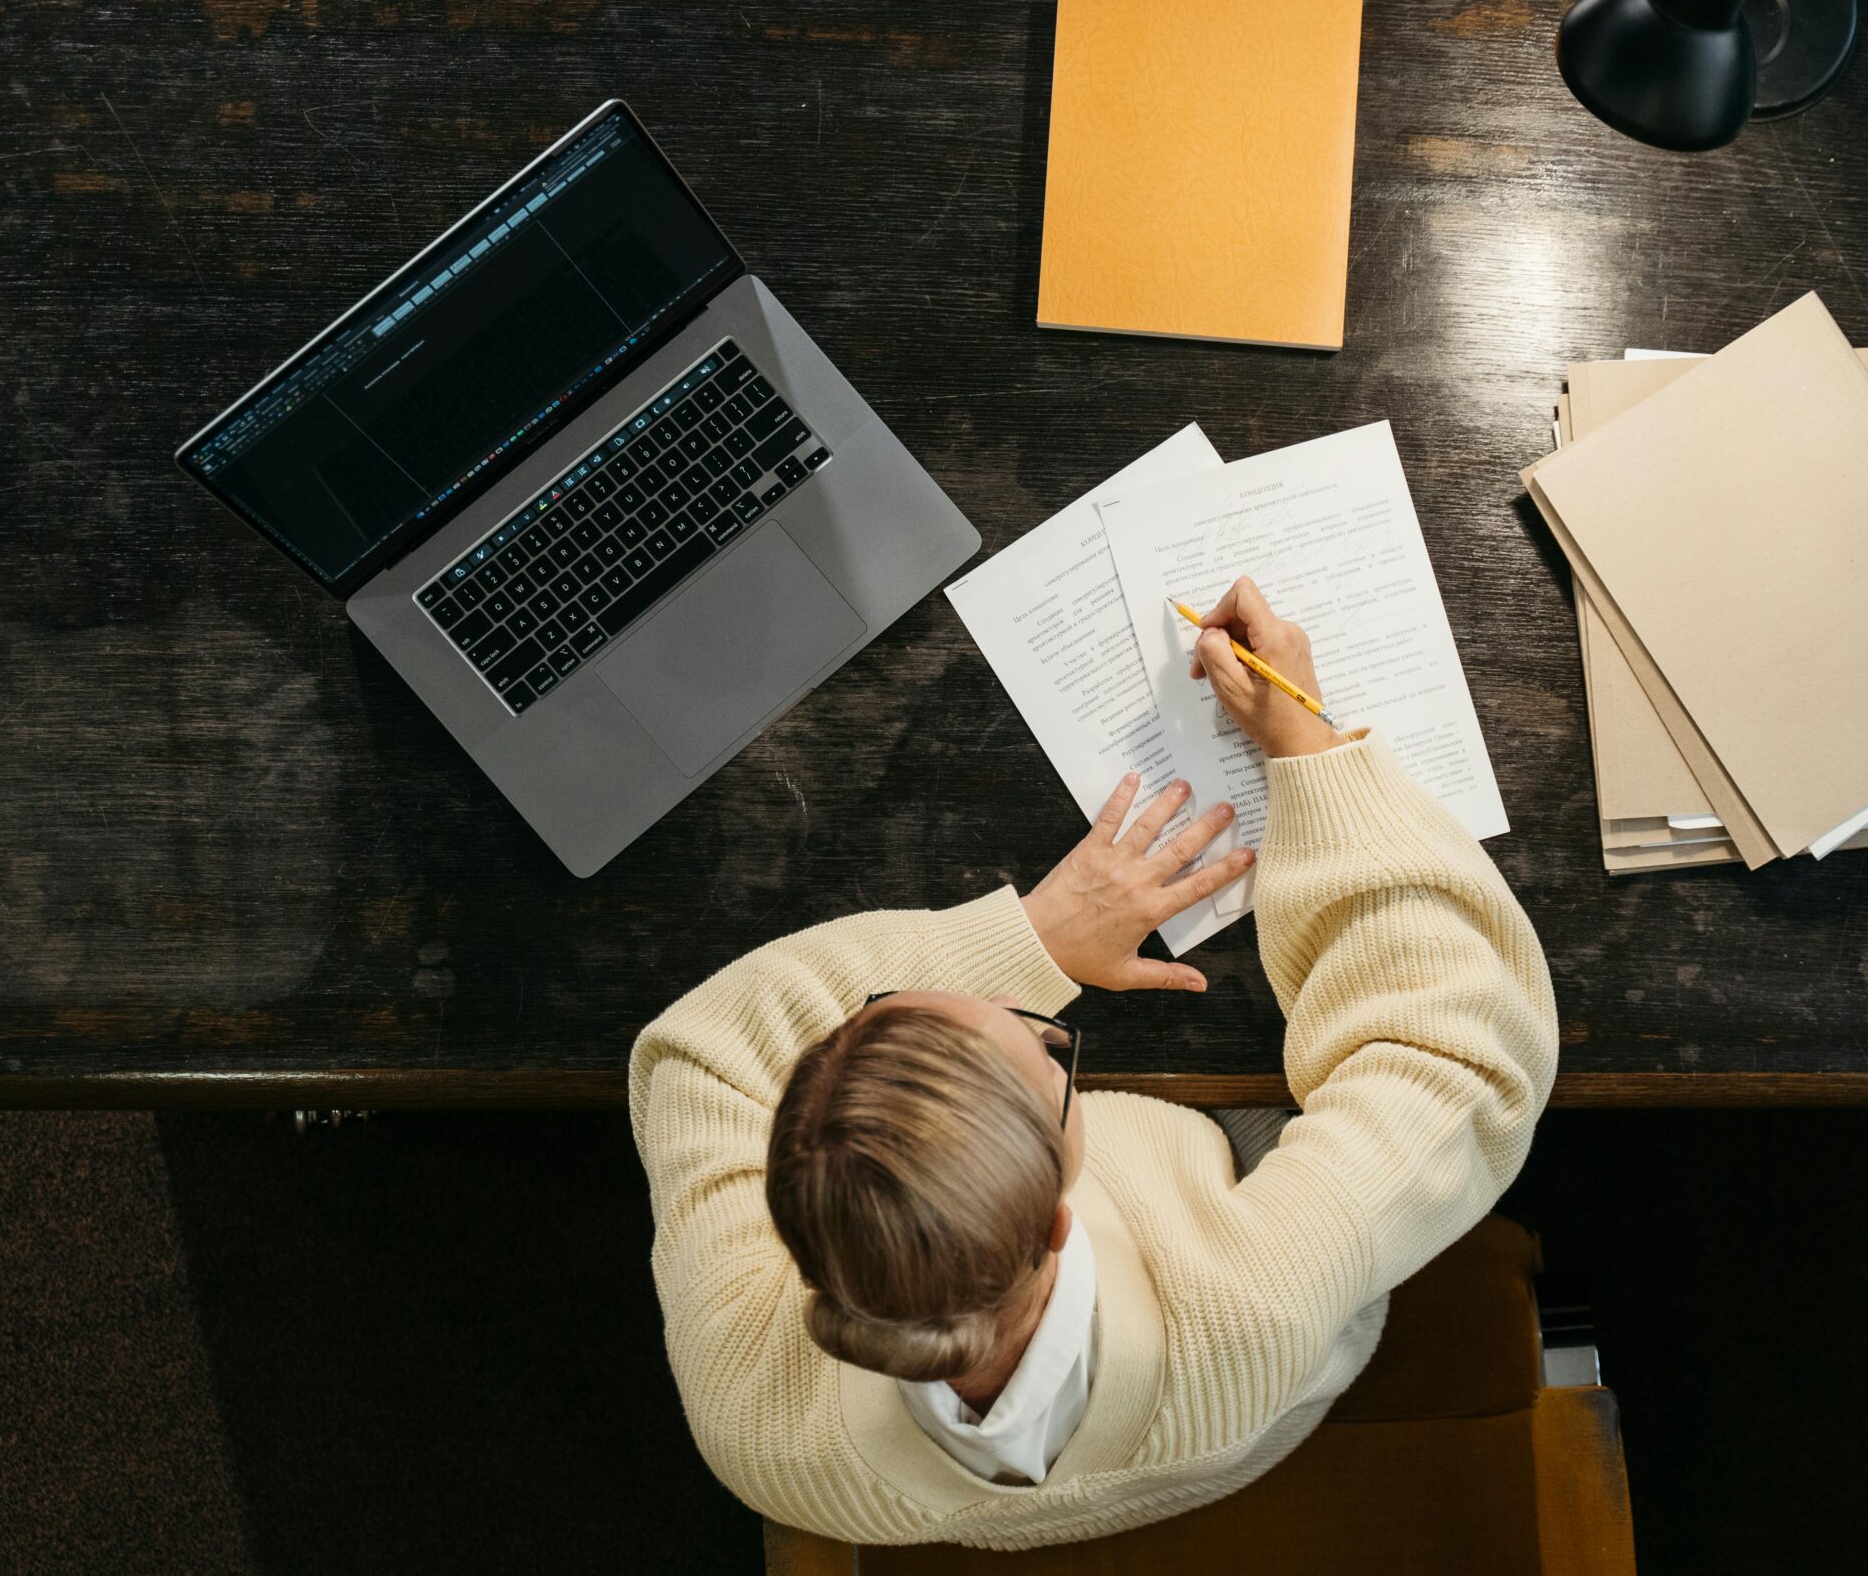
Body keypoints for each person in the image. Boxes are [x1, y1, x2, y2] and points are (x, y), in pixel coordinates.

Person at [629, 579, 1558, 1550]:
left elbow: (706, 1048)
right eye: (1042, 1048)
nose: (1009, 1003)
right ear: (1060, 1214)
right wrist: (1308, 750)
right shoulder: (1249, 1296)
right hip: (1250, 1395)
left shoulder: (749, 1427)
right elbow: (1454, 1048)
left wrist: (1033, 938)